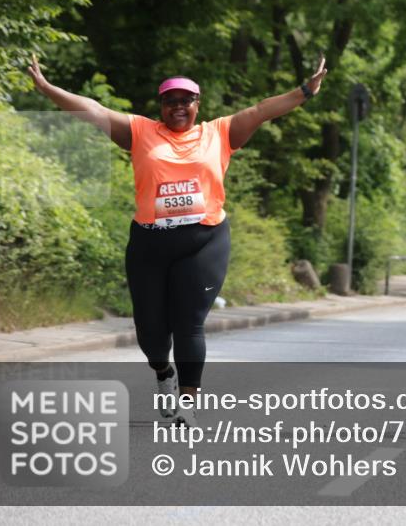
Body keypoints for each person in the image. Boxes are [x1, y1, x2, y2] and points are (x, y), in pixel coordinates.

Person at [27, 53, 327, 425]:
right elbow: (93, 109)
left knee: (189, 323)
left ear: (197, 105)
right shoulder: (139, 131)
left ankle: (188, 398)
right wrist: (47, 88)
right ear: (161, 106)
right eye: (171, 101)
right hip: (150, 242)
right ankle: (163, 373)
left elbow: (262, 109)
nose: (179, 107)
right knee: (150, 331)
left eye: (186, 100)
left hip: (204, 240)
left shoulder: (219, 133)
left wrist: (305, 91)